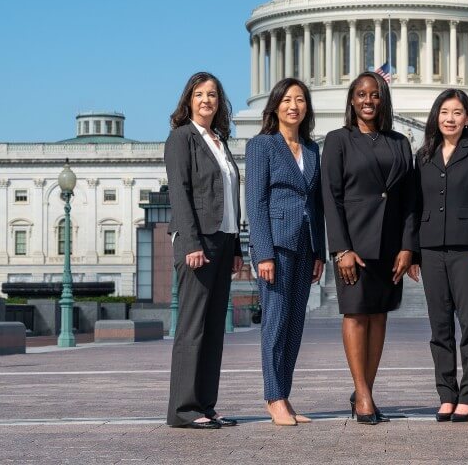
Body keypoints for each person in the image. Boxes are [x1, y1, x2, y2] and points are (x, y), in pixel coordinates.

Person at [321, 72, 416, 425]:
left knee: (379, 317)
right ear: (351, 99)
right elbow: (330, 198)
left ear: (383, 100)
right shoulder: (337, 141)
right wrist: (341, 248)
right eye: (361, 94)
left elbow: (409, 200)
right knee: (356, 315)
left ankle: (365, 392)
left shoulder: (400, 142)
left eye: (374, 94)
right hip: (355, 245)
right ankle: (362, 395)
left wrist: (408, 248)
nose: (368, 100)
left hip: (390, 246)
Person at [245, 78, 326, 426]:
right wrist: (263, 252)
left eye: (300, 100)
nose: (294, 106)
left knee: (294, 326)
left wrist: (319, 250)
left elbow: (316, 204)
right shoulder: (261, 145)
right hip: (275, 245)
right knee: (275, 324)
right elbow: (255, 202)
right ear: (275, 105)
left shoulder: (311, 149)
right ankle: (273, 396)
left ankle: (285, 396)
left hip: (305, 244)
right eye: (287, 100)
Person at [165, 71, 243, 430]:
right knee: (192, 329)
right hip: (199, 241)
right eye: (199, 94)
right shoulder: (182, 138)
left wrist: (237, 246)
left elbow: (228, 199)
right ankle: (183, 409)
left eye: (212, 94)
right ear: (189, 100)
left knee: (213, 329)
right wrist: (191, 242)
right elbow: (180, 192)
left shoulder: (218, 141)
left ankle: (206, 406)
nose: (207, 100)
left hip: (223, 240)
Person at [412, 89, 468, 422]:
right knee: (439, 327)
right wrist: (415, 253)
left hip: (466, 250)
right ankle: (447, 394)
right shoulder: (424, 154)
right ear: (436, 116)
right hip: (431, 249)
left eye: (457, 112)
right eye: (445, 112)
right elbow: (415, 206)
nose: (450, 118)